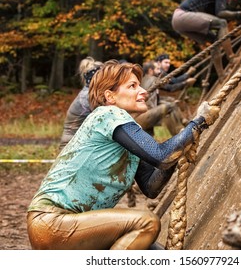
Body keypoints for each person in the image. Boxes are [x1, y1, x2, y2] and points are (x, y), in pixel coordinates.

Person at [26, 60, 219, 250]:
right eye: (132, 86)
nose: (143, 91)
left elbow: (152, 187)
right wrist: (197, 123)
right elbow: (161, 156)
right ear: (110, 96)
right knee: (147, 223)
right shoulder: (108, 114)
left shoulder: (125, 136)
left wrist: (178, 152)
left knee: (158, 255)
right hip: (53, 221)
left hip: (71, 226)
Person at [171, 0, 241, 80]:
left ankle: (221, 75)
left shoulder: (214, 3)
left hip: (178, 23)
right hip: (182, 15)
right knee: (222, 23)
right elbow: (221, 14)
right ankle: (232, 57)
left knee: (214, 39)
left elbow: (215, 18)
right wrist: (239, 14)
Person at [134, 60, 194, 136]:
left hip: (146, 114)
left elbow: (155, 99)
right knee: (170, 106)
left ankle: (180, 133)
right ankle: (183, 123)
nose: (160, 71)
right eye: (157, 69)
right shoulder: (153, 79)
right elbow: (171, 87)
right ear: (150, 71)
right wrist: (186, 81)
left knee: (168, 112)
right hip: (144, 115)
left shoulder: (143, 80)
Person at [59, 57, 104, 150]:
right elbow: (104, 116)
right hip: (72, 145)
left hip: (78, 142)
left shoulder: (89, 93)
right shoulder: (88, 96)